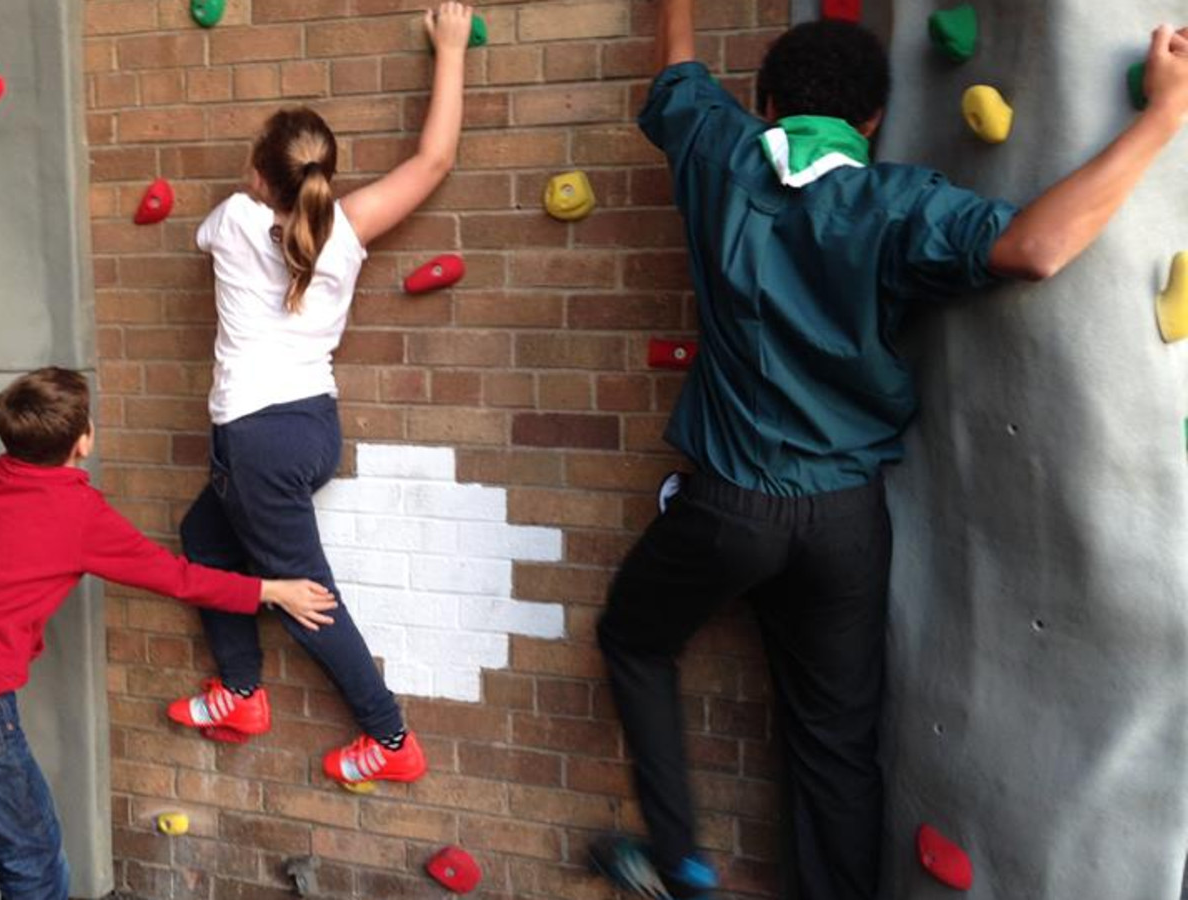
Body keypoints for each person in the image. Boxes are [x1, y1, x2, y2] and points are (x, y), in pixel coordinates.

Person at [592, 4, 1188, 899]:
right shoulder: (897, 201)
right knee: (834, 747)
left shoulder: (717, 150)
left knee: (634, 638)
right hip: (843, 524)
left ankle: (678, 855)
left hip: (729, 509)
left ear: (763, 102)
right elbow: (1035, 246)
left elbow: (674, 72)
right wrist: (1162, 117)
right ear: (872, 119)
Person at [0, 367, 335, 899]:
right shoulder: (80, 513)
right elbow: (178, 578)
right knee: (31, 850)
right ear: (83, 440)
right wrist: (272, 591)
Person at [163, 4, 473, 787]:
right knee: (204, 533)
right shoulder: (350, 227)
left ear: (260, 175)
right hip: (310, 428)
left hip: (260, 443)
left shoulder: (234, 218)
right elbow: (433, 161)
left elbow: (223, 237)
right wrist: (452, 50)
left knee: (305, 598)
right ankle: (241, 693)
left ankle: (390, 738)